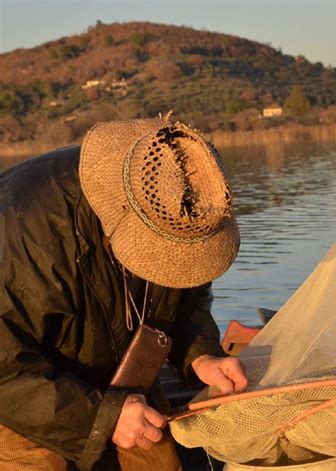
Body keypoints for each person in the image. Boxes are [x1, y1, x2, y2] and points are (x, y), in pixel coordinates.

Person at [0, 116, 248, 470]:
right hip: (18, 393)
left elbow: (188, 294)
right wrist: (103, 418)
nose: (175, 265)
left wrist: (201, 356)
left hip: (120, 377)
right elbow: (5, 370)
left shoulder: (175, 201)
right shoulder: (20, 234)